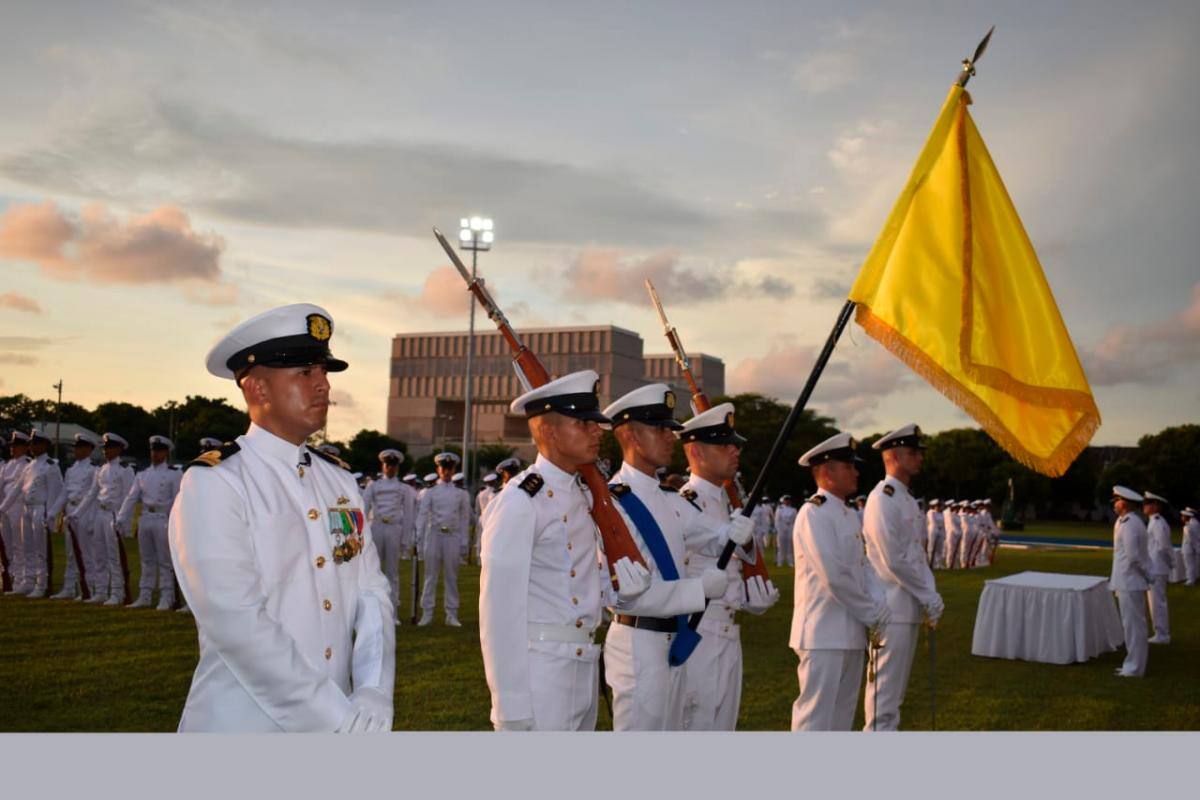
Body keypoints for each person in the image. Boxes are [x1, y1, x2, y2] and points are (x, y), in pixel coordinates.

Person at [169, 302, 394, 732]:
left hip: (344, 719)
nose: (324, 385)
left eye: (324, 373)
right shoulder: (217, 483)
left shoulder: (340, 481)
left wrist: (373, 688)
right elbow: (238, 623)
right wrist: (336, 717)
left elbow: (372, 593)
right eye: (305, 373)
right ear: (258, 389)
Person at [478, 370, 654, 731]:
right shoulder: (520, 501)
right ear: (549, 432)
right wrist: (509, 704)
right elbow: (497, 611)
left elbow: (580, 582)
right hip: (540, 673)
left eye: (595, 423)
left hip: (583, 663)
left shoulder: (583, 493)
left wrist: (619, 592)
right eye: (584, 423)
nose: (596, 432)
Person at [601, 383, 751, 731]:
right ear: (634, 438)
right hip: (638, 643)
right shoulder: (613, 502)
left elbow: (713, 538)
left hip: (672, 641)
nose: (672, 436)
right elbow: (624, 594)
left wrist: (733, 533)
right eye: (661, 429)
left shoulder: (669, 498)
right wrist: (697, 590)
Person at [677, 402, 778, 731]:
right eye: (724, 444)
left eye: (735, 443)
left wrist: (752, 595)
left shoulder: (726, 501)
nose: (735, 450)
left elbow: (735, 564)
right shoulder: (684, 501)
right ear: (697, 452)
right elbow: (712, 541)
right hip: (700, 633)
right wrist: (740, 541)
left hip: (728, 633)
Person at [789, 432, 889, 731]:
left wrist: (879, 601)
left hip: (849, 631)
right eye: (849, 466)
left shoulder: (846, 514)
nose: (856, 472)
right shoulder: (813, 513)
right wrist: (871, 612)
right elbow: (833, 575)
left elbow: (863, 565)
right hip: (822, 632)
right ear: (828, 471)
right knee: (815, 718)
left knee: (842, 718)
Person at [860, 424, 943, 731]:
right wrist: (927, 594)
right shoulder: (883, 498)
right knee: (884, 691)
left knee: (894, 693)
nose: (919, 459)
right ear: (893, 456)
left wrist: (928, 591)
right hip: (890, 606)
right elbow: (892, 558)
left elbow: (916, 555)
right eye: (912, 453)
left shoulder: (905, 499)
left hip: (906, 606)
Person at [117, 436, 183, 609]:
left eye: (159, 451)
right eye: (153, 451)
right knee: (146, 560)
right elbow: (131, 498)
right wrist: (122, 517)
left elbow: (179, 500)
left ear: (166, 452)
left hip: (163, 519)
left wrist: (176, 524)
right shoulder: (143, 474)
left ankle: (166, 597)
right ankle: (145, 595)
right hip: (145, 518)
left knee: (164, 561)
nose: (155, 454)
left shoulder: (174, 473)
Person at [0, 429, 63, 597]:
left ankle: (41, 584)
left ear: (44, 445)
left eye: (36, 443)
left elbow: (55, 493)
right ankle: (27, 582)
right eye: (31, 443)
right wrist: (2, 509)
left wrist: (50, 516)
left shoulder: (51, 466)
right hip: (26, 509)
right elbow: (16, 490)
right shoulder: (30, 466)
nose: (32, 446)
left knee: (40, 550)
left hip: (40, 509)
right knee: (27, 548)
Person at [415, 452, 471, 627]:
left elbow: (464, 519)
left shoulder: (461, 494)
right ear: (438, 469)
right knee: (430, 576)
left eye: (449, 468)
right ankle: (427, 613)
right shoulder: (430, 492)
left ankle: (451, 614)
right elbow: (422, 516)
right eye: (443, 468)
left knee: (451, 576)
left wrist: (464, 541)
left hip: (452, 536)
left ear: (453, 470)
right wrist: (418, 538)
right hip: (434, 535)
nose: (446, 472)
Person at [361, 448, 417, 622]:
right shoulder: (373, 486)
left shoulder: (404, 489)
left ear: (397, 467)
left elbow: (408, 515)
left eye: (393, 465)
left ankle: (392, 614)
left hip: (394, 529)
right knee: (373, 570)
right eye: (387, 465)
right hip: (377, 527)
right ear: (383, 466)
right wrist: (362, 535)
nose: (390, 468)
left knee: (392, 573)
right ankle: (373, 612)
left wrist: (406, 540)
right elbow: (363, 509)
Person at [80, 433, 136, 605]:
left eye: (110, 448)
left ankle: (117, 592)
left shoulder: (125, 469)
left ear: (119, 449)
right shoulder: (101, 469)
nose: (106, 451)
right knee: (99, 555)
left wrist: (123, 520)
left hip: (114, 515)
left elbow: (129, 497)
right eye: (105, 448)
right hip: (100, 514)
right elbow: (92, 494)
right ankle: (101, 590)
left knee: (114, 556)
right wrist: (77, 512)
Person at [48, 433, 102, 600]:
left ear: (89, 449)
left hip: (85, 513)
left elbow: (93, 495)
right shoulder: (71, 470)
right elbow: (64, 493)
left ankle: (88, 588)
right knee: (71, 553)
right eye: (76, 448)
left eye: (80, 448)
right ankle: (69, 587)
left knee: (86, 553)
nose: (76, 451)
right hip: (71, 512)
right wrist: (52, 513)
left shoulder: (94, 470)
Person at [1109, 485, 1152, 678]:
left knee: (1134, 627)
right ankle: (1131, 663)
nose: (1114, 504)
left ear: (1124, 503)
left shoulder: (1131, 523)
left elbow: (1134, 556)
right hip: (1125, 581)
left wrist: (1147, 575)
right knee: (1130, 626)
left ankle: (1135, 668)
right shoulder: (1124, 521)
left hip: (1131, 581)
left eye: (1116, 500)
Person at [1, 432, 32, 594]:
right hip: (5, 508)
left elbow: (21, 489)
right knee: (6, 545)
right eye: (12, 445)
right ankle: (8, 576)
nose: (13, 448)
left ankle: (20, 579)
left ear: (25, 447)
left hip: (18, 507)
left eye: (16, 445)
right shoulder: (8, 465)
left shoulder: (27, 464)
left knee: (19, 545)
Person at [1143, 491, 1172, 644]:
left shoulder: (1158, 522)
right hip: (1155, 567)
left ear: (1155, 506)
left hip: (1158, 568)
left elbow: (1164, 547)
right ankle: (1160, 632)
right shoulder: (1154, 521)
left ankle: (1162, 634)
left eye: (1147, 504)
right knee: (1155, 601)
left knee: (1157, 602)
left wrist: (1170, 563)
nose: (1144, 506)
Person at [773, 495, 797, 567]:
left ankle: (790, 562)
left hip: (790, 527)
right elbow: (777, 520)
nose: (787, 501)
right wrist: (778, 529)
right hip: (781, 528)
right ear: (783, 501)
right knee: (780, 546)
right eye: (786, 500)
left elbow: (795, 520)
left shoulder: (793, 509)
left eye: (788, 500)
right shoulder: (779, 509)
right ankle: (780, 562)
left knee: (790, 546)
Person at [926, 499, 945, 569]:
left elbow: (943, 523)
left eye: (940, 505)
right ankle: (930, 564)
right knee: (931, 547)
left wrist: (943, 532)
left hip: (940, 531)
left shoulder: (941, 513)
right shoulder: (931, 512)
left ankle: (938, 564)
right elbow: (933, 522)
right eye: (938, 506)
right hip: (933, 530)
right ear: (934, 506)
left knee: (939, 548)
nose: (939, 507)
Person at [1182, 508, 1199, 586]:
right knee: (1192, 564)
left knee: (1189, 565)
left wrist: (1195, 547)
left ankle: (1190, 580)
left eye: (1183, 516)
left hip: (1188, 548)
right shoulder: (1195, 523)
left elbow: (1191, 539)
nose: (1182, 517)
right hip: (1192, 547)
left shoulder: (1188, 526)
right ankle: (1192, 579)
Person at [943, 500, 963, 569]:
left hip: (958, 534)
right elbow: (952, 525)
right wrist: (958, 533)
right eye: (955, 507)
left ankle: (955, 564)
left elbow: (960, 526)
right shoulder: (948, 513)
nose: (957, 509)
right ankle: (949, 564)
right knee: (951, 549)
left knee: (957, 550)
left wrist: (960, 533)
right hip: (951, 534)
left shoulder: (956, 515)